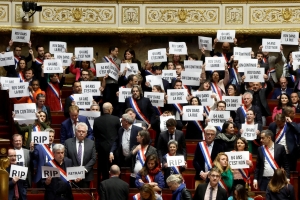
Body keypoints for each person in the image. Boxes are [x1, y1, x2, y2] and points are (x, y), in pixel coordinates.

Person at [93, 102, 121, 183]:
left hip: (102, 149)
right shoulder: (116, 119)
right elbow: (119, 134)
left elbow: (96, 135)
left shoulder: (97, 120)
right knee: (114, 169)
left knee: (104, 171)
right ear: (110, 109)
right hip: (114, 149)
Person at [64, 122, 96, 188]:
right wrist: (75, 172)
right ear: (75, 132)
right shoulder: (68, 142)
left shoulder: (91, 143)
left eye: (83, 132)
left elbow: (93, 158)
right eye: (79, 131)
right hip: (71, 175)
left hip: (86, 175)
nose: (81, 133)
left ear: (86, 133)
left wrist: (83, 170)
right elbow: (65, 158)